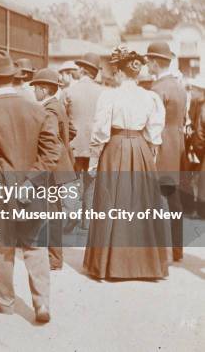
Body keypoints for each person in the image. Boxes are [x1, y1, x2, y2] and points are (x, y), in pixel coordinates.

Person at [0, 50, 61, 323]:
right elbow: (51, 155)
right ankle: (41, 304)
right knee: (35, 247)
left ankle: (3, 300)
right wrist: (29, 182)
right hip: (33, 190)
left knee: (2, 246)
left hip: (1, 192)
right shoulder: (38, 111)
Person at [84, 46, 171, 280]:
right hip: (140, 148)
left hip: (116, 147)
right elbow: (154, 132)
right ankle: (146, 265)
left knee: (112, 201)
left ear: (119, 72)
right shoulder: (149, 96)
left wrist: (94, 159)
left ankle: (107, 265)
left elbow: (100, 131)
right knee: (141, 203)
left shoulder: (110, 95)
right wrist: (149, 154)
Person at [30, 68, 77, 270]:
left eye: (36, 88)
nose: (34, 92)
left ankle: (54, 258)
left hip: (52, 167)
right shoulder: (58, 106)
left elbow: (47, 140)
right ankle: (53, 255)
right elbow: (72, 131)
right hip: (61, 164)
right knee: (53, 211)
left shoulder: (48, 110)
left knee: (51, 213)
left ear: (44, 89)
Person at [146, 41, 188, 262]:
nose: (146, 66)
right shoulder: (179, 87)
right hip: (177, 147)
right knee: (174, 200)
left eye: (148, 62)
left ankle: (158, 253)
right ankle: (178, 250)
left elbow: (152, 124)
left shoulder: (157, 89)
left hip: (161, 148)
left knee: (155, 200)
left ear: (154, 63)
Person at [63, 52, 105, 228]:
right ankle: (87, 220)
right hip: (94, 145)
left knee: (70, 181)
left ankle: (71, 213)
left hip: (73, 145)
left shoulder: (68, 91)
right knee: (91, 182)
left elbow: (61, 120)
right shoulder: (104, 93)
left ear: (82, 70)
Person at [189, 75, 205, 218]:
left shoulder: (203, 108)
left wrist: (201, 155)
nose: (191, 91)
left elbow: (199, 137)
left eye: (194, 88)